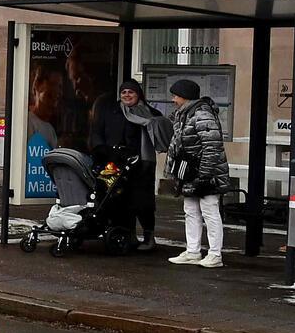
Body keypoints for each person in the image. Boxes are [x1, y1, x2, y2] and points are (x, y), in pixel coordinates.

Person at [92, 78, 172, 250]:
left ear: (138, 94)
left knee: (142, 201)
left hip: (141, 163)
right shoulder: (110, 111)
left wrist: (153, 124)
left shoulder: (148, 112)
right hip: (112, 161)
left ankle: (149, 237)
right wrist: (102, 151)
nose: (127, 95)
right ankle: (125, 234)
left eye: (131, 92)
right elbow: (97, 131)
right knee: (112, 196)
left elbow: (163, 129)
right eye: (124, 92)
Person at [165, 78, 230, 268]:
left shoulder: (201, 114)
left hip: (205, 174)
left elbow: (212, 146)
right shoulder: (183, 114)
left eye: (176, 95)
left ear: (185, 96)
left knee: (210, 210)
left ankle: (215, 254)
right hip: (190, 171)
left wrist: (204, 175)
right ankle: (193, 250)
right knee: (191, 210)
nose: (173, 99)